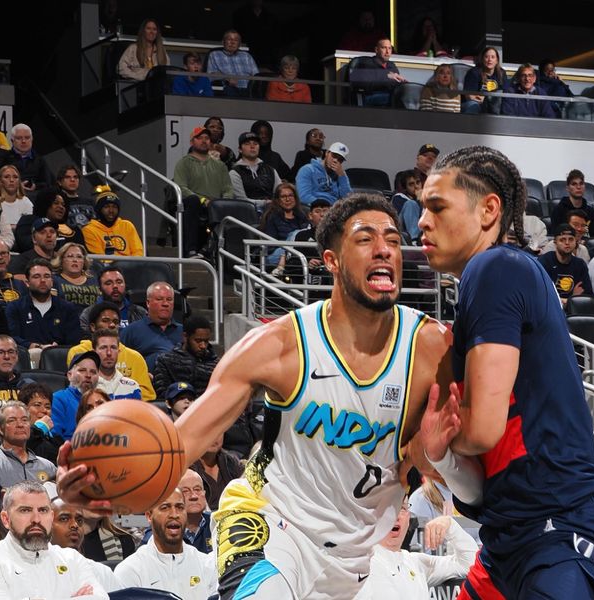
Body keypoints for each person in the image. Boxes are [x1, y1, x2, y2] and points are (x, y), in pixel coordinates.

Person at [58, 193, 452, 599]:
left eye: (391, 237)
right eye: (365, 239)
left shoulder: (431, 348)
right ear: (332, 261)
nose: (384, 248)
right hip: (271, 524)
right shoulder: (278, 345)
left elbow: (434, 464)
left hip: (360, 552)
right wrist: (108, 491)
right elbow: (178, 446)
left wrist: (433, 455)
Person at [416, 145, 594, 598]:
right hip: (510, 536)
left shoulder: (495, 268)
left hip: (562, 528)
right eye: (420, 209)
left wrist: (442, 439)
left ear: (489, 209)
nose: (422, 222)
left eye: (437, 207)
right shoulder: (494, 280)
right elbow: (477, 492)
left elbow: (482, 431)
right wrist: (440, 456)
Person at [0, 480, 108, 598]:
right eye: (25, 510)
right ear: (5, 519)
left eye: (43, 510)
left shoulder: (72, 559)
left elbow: (100, 597)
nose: (36, 519)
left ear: (51, 517)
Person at [356, 503, 477, 600]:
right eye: (389, 508)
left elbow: (469, 564)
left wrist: (450, 525)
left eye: (402, 508)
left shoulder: (415, 562)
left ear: (408, 518)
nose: (397, 516)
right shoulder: (362, 565)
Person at [115, 487, 216, 599]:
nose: (174, 514)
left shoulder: (206, 565)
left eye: (180, 507)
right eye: (165, 508)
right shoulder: (131, 571)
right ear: (149, 515)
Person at [70, 301, 154, 400]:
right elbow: (76, 388)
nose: (112, 325)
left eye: (115, 322)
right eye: (106, 320)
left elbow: (147, 395)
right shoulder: (79, 353)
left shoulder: (135, 357)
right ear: (92, 327)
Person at [172, 127, 234, 259]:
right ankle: (191, 250)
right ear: (192, 142)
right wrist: (203, 200)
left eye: (207, 138)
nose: (204, 141)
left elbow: (228, 188)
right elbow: (181, 187)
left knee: (230, 206)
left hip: (216, 204)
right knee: (193, 201)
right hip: (195, 204)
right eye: (200, 138)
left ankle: (208, 249)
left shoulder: (220, 166)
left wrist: (223, 202)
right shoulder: (183, 163)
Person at [50, 498, 122, 593]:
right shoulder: (35, 570)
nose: (75, 525)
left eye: (79, 520)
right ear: (47, 524)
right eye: (64, 519)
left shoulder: (103, 572)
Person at [6, 258, 81, 349]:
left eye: (47, 276)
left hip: (59, 357)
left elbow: (74, 340)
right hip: (26, 356)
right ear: (27, 283)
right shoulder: (15, 307)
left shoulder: (67, 308)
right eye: (36, 276)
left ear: (52, 281)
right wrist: (35, 346)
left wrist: (58, 348)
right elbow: (12, 338)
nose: (42, 280)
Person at [120, 281, 182, 371]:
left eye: (169, 299)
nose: (165, 304)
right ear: (148, 303)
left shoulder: (184, 332)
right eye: (159, 299)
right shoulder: (131, 331)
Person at [0, 401, 57, 488]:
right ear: (0, 429)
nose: (20, 425)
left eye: (24, 420)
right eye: (12, 420)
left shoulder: (48, 467)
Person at [153, 315, 219, 397]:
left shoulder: (216, 364)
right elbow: (162, 394)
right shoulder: (166, 361)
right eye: (198, 341)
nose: (203, 346)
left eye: (206, 341)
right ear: (185, 337)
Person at [0, 124, 53, 193]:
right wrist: (16, 186)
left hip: (33, 196)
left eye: (27, 138)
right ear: (12, 140)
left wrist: (35, 186)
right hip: (7, 195)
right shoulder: (2, 156)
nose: (23, 141)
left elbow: (47, 183)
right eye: (19, 138)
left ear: (32, 139)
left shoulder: (39, 159)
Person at [13, 188, 83, 254]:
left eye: (63, 205)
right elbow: (26, 244)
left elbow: (82, 251)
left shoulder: (74, 229)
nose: (61, 207)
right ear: (45, 204)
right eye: (56, 203)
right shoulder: (29, 221)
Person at [78, 266, 147, 331]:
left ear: (125, 285)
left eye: (119, 282)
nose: (115, 286)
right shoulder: (88, 314)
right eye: (108, 283)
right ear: (100, 289)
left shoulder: (140, 312)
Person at [537, 223, 592, 305]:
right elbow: (541, 295)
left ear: (575, 242)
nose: (567, 243)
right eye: (562, 240)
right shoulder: (544, 261)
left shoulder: (580, 264)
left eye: (571, 239)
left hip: (574, 311)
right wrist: (571, 299)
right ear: (555, 242)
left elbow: (586, 297)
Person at [260, 182, 309, 274]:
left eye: (290, 195)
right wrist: (287, 249)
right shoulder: (272, 217)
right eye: (283, 196)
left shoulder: (301, 216)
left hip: (296, 254)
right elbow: (270, 246)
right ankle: (281, 265)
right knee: (295, 234)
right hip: (274, 255)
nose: (288, 199)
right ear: (278, 200)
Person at [81, 185, 144, 256]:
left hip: (131, 265)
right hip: (106, 266)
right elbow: (99, 258)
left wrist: (133, 265)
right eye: (106, 207)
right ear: (99, 209)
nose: (111, 210)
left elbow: (138, 251)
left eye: (114, 207)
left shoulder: (127, 225)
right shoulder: (89, 230)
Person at [51, 351, 99, 441]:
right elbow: (55, 438)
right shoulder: (58, 399)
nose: (88, 375)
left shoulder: (102, 401)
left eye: (93, 372)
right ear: (69, 375)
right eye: (82, 370)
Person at [229, 131, 282, 208]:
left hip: (272, 212)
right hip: (247, 214)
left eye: (255, 144)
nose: (252, 146)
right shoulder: (234, 173)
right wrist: (265, 203)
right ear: (240, 149)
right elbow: (241, 201)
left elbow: (281, 194)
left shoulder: (271, 170)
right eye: (247, 144)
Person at [0, 335, 33, 407]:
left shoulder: (28, 385)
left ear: (16, 356)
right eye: (0, 352)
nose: (6, 357)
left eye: (11, 352)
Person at [349, 37, 406, 106]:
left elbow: (395, 85)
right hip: (369, 97)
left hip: (390, 97)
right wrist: (386, 76)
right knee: (395, 99)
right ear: (376, 50)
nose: (387, 51)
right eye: (384, 48)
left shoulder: (392, 65)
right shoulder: (366, 63)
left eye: (389, 48)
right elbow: (356, 80)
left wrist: (403, 83)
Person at [17, 382, 64, 464]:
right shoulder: (15, 435)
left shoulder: (57, 440)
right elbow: (17, 448)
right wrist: (39, 429)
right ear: (23, 409)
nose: (44, 410)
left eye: (48, 407)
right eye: (37, 405)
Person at [295, 141, 351, 207]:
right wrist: (324, 207)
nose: (335, 160)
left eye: (340, 159)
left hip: (334, 211)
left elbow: (348, 199)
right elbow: (303, 196)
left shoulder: (340, 175)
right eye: (334, 156)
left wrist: (342, 176)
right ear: (327, 153)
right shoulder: (307, 170)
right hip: (315, 209)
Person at [206, 29, 259, 98]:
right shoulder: (214, 54)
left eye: (236, 40)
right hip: (228, 89)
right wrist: (227, 77)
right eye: (229, 39)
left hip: (248, 90)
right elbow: (210, 75)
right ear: (223, 42)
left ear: (239, 44)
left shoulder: (246, 56)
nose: (232, 42)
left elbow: (256, 75)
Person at [92, 328, 141, 401]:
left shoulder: (132, 387)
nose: (109, 353)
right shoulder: (87, 386)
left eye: (113, 347)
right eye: (103, 347)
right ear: (94, 352)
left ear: (118, 351)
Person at [50, 242, 99, 313]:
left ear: (84, 261)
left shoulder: (93, 279)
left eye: (79, 257)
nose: (75, 260)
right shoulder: (54, 280)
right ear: (61, 260)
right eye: (70, 256)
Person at [462, 47, 507, 115]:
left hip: (493, 105)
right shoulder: (474, 72)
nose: (489, 60)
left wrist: (486, 99)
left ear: (497, 60)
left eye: (492, 57)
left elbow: (504, 94)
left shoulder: (501, 73)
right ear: (482, 59)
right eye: (486, 57)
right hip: (476, 104)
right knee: (473, 105)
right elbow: (469, 96)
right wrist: (487, 100)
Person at [0, 165, 33, 233]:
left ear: (19, 182)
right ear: (0, 181)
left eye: (15, 177)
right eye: (6, 177)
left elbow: (30, 225)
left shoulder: (25, 201)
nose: (11, 180)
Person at [391, 169, 423, 244]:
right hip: (402, 230)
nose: (416, 186)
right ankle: (414, 241)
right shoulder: (399, 197)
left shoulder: (427, 199)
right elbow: (396, 219)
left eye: (418, 182)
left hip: (421, 230)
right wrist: (419, 201)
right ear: (405, 188)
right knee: (411, 204)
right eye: (411, 184)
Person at [57, 164, 93, 229]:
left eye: (75, 177)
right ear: (60, 182)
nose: (72, 180)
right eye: (68, 177)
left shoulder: (90, 203)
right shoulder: (56, 204)